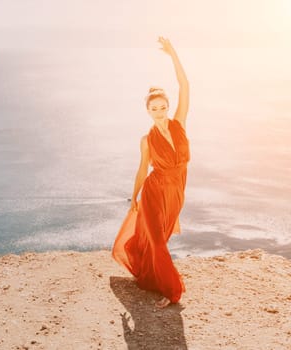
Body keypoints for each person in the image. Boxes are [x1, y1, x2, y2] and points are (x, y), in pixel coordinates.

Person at [112, 36, 190, 309]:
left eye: (162, 107)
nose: (159, 112)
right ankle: (171, 291)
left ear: (168, 107)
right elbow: (142, 169)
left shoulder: (179, 124)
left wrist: (173, 53)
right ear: (147, 111)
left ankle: (149, 275)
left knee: (161, 239)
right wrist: (133, 197)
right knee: (157, 241)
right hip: (154, 191)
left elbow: (185, 85)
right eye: (153, 109)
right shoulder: (146, 139)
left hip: (176, 191)